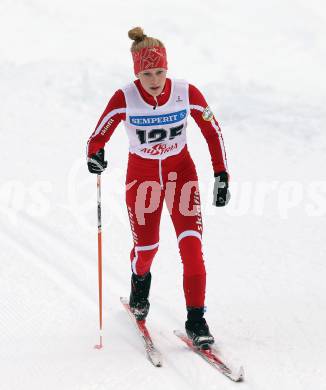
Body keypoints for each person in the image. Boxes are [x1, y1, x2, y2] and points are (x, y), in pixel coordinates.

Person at [86, 27, 230, 349]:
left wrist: (221, 174)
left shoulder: (185, 92)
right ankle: (140, 288)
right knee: (147, 249)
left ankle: (196, 320)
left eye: (160, 71)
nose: (155, 80)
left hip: (181, 176)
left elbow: (212, 130)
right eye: (147, 73)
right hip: (143, 179)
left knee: (192, 248)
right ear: (137, 72)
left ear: (168, 68)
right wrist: (95, 154)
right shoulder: (125, 97)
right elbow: (98, 136)